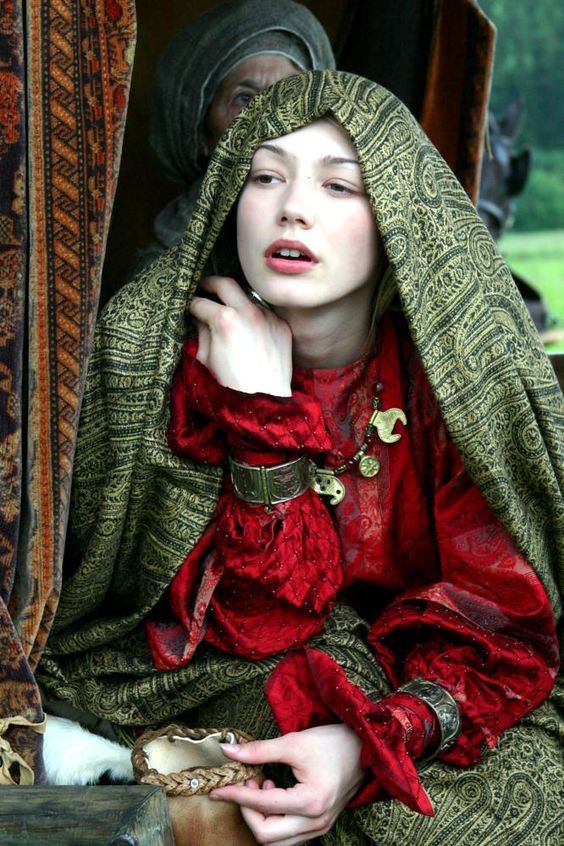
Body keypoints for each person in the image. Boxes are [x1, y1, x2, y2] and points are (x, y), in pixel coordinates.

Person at [39, 71, 564, 845]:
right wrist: (259, 412)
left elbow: (503, 626)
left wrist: (366, 743)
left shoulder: (455, 383)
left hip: (432, 691)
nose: (292, 207)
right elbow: (254, 624)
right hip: (217, 681)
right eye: (265, 176)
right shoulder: (154, 359)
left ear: (398, 216)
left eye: (340, 186)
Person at [131, 0, 335, 274]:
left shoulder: (342, 236)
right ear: (202, 137)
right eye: (245, 99)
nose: (270, 119)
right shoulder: (164, 273)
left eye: (289, 96)